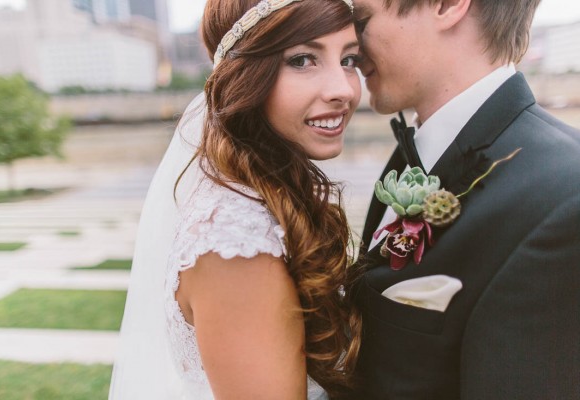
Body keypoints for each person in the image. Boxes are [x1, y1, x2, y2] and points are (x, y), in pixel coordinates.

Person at [109, 0, 363, 399]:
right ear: (248, 75)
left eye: (349, 59)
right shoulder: (235, 241)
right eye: (301, 60)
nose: (343, 89)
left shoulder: (262, 196)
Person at [347, 0, 580, 398]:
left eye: (362, 20)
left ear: (448, 5)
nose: (352, 48)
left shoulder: (566, 197)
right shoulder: (411, 155)